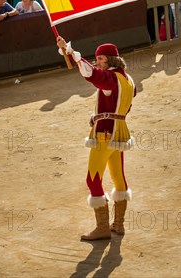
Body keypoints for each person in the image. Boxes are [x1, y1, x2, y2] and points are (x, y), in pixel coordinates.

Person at [56, 37, 135, 241]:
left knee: (93, 180)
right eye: (97, 59)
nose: (98, 62)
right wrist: (99, 115)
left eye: (101, 58)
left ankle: (102, 228)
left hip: (105, 135)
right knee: (119, 178)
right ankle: (118, 224)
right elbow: (122, 107)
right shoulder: (128, 80)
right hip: (119, 134)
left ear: (111, 60)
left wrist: (69, 51)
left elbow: (91, 74)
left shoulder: (109, 78)